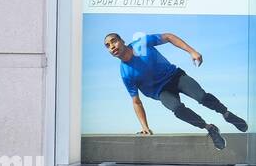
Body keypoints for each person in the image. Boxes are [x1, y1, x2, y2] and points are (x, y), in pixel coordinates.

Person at [104, 31, 247, 150]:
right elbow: (136, 102)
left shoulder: (141, 43)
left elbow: (168, 37)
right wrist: (144, 127)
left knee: (202, 97)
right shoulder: (126, 73)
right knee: (178, 110)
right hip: (161, 91)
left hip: (175, 76)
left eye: (114, 41)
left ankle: (227, 114)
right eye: (108, 46)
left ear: (122, 40)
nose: (112, 46)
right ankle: (210, 128)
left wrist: (192, 51)